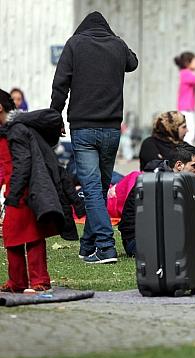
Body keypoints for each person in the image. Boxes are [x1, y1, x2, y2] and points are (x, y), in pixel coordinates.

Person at [50, 11, 138, 264]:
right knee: (97, 189)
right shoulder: (118, 45)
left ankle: (106, 247)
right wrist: (116, 39)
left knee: (91, 190)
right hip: (111, 129)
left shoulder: (75, 44)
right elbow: (132, 62)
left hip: (83, 127)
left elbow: (60, 83)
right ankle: (88, 245)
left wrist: (55, 117)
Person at [0, 91, 66, 292]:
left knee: (26, 234)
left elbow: (23, 163)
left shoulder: (16, 129)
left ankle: (35, 281)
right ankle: (21, 281)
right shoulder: (5, 130)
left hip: (24, 190)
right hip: (17, 190)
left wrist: (15, 193)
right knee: (18, 235)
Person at [118, 146, 195, 258]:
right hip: (138, 241)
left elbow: (191, 207)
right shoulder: (159, 180)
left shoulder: (177, 178)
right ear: (179, 165)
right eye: (194, 166)